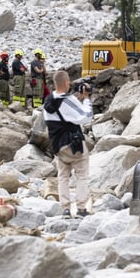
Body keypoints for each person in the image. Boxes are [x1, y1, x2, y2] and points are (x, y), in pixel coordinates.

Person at [43, 70, 93, 218]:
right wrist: (86, 99)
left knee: (63, 176)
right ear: (66, 83)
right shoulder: (68, 100)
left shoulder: (48, 100)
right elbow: (85, 117)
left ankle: (65, 208)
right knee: (81, 175)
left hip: (58, 146)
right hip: (74, 144)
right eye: (69, 82)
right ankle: (81, 208)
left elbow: (65, 115)